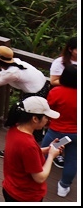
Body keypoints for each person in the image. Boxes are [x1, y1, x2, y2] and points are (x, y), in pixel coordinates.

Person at [0, 45, 49, 156]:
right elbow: (2, 74)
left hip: (35, 96)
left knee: (21, 124)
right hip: (42, 91)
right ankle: (33, 148)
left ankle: (14, 151)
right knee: (33, 123)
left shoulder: (12, 73)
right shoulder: (16, 63)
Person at [1, 96, 63, 202]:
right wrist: (51, 156)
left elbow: (24, 156)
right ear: (35, 119)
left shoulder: (14, 129)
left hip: (10, 188)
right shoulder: (28, 144)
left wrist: (48, 149)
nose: (48, 120)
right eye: (46, 117)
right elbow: (40, 178)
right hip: (25, 196)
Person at [41, 64, 77, 197]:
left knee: (43, 153)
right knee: (72, 160)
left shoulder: (56, 92)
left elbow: (48, 110)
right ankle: (63, 187)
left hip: (56, 133)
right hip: (75, 134)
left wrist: (46, 123)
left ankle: (36, 177)